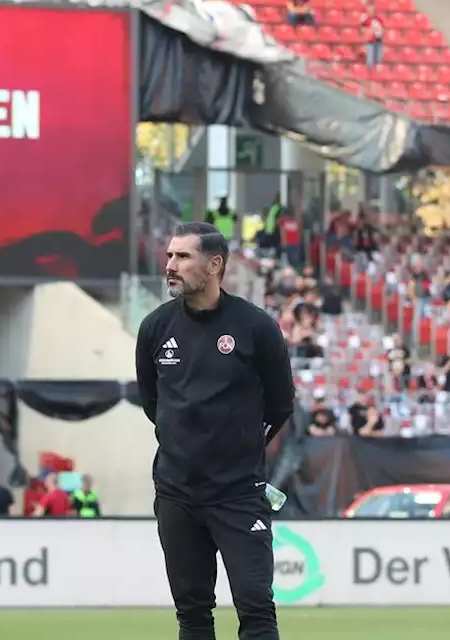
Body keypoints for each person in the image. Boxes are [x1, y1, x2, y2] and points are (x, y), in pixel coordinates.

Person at [135, 221, 294, 640]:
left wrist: (237, 448)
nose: (170, 264)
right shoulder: (155, 327)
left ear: (214, 265)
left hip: (239, 494)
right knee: (192, 614)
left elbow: (281, 405)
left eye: (182, 257)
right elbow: (154, 404)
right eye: (170, 255)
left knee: (257, 610)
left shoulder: (256, 327)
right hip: (177, 493)